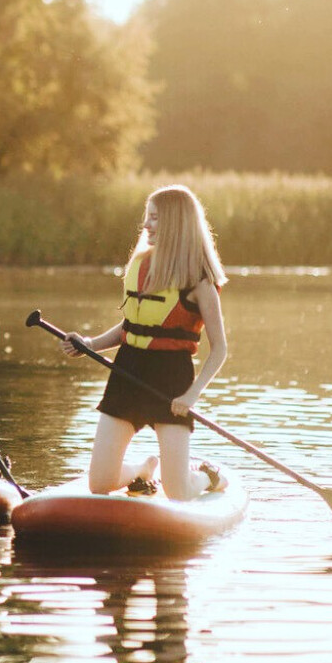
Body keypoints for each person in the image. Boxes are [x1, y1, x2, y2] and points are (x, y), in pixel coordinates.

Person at [60, 184, 228, 500]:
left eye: (155, 218)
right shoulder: (140, 265)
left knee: (177, 492)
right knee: (99, 483)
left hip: (172, 381)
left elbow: (219, 349)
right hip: (128, 372)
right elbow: (132, 326)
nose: (146, 225)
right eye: (147, 217)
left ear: (177, 223)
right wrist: (90, 344)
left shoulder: (200, 281)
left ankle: (206, 476)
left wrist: (191, 395)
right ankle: (141, 470)